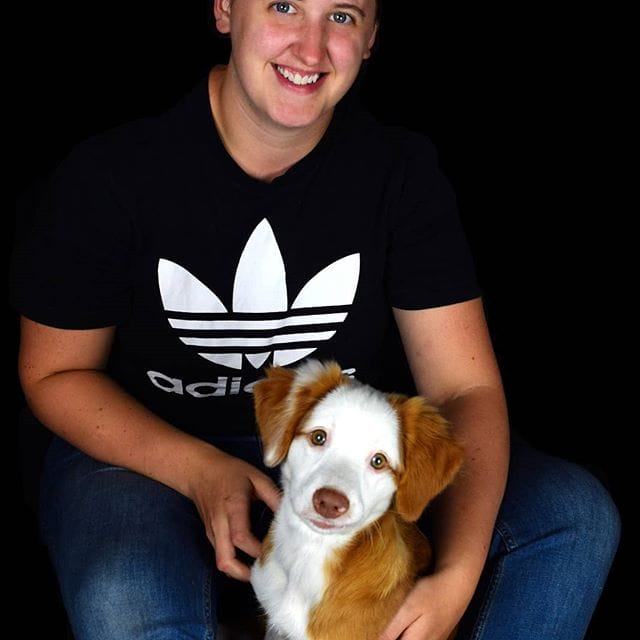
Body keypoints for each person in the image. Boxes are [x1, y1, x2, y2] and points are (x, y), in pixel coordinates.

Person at [11, 1, 620, 639]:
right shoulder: (112, 176)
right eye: (284, 6)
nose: (310, 48)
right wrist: (198, 468)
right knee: (125, 592)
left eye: (343, 16)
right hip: (145, 450)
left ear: (372, 36)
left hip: (353, 456)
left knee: (571, 516)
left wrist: (457, 578)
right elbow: (55, 373)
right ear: (225, 9)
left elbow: (463, 388)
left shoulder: (398, 173)